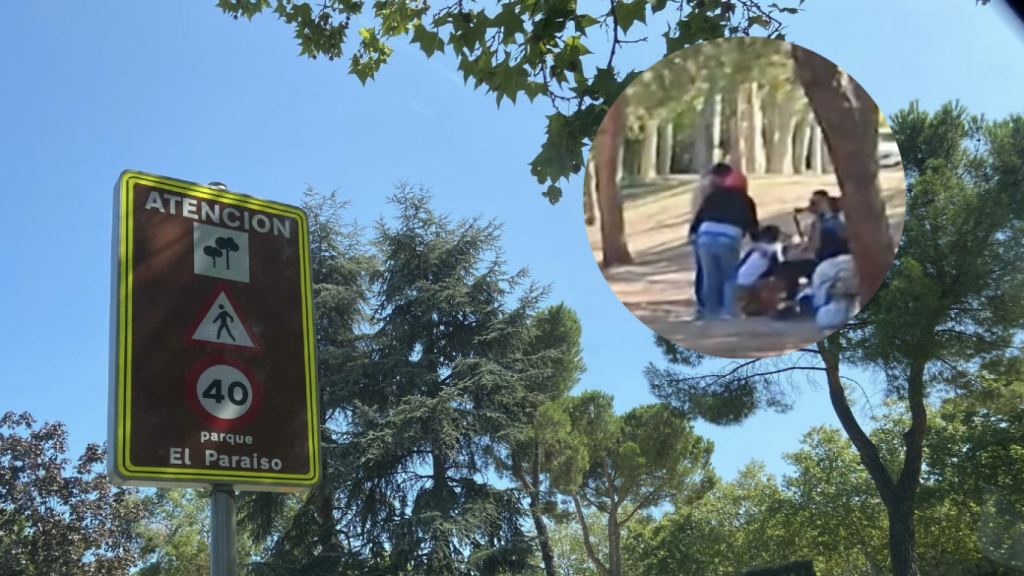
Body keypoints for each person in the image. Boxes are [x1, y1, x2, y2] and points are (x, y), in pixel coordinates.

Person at [689, 168, 758, 319]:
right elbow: (752, 225)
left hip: (705, 236)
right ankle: (729, 312)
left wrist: (692, 235)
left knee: (710, 276)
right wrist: (758, 240)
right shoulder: (745, 200)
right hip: (729, 237)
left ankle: (710, 312)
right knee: (730, 276)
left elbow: (699, 219)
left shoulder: (712, 197)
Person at [776, 190, 850, 305]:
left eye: (814, 202)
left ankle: (791, 300)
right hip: (822, 258)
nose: (810, 205)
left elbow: (816, 247)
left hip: (829, 260)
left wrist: (798, 254)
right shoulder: (819, 222)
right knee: (787, 263)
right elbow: (811, 245)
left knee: (788, 266)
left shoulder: (833, 222)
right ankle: (790, 299)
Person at [690, 162, 740, 314]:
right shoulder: (711, 189)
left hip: (702, 231)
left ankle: (708, 306)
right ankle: (715, 306)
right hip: (706, 229)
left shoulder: (703, 186)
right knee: (712, 273)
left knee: (706, 272)